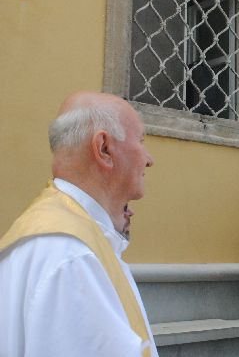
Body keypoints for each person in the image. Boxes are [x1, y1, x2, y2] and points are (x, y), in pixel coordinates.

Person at [0, 91, 157, 357]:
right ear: (104, 149)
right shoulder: (72, 256)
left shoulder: (59, 236)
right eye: (140, 141)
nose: (149, 159)